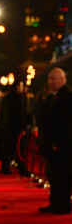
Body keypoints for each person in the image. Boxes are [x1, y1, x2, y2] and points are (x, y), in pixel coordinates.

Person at [36, 67, 72, 215]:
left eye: (54, 79)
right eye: (49, 79)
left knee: (62, 176)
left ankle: (63, 204)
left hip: (62, 146)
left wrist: (58, 142)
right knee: (53, 175)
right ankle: (54, 202)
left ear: (63, 80)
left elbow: (66, 122)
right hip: (50, 144)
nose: (51, 82)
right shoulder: (51, 97)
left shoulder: (67, 96)